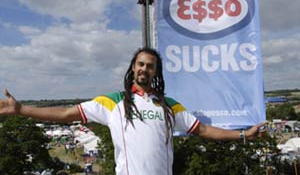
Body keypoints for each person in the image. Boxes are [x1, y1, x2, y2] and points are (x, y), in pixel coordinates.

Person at [0, 47, 264, 175]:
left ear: (155, 72)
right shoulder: (112, 102)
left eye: (150, 66)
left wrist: (242, 135)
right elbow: (66, 113)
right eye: (140, 64)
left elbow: (203, 130)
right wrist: (22, 109)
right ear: (133, 67)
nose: (144, 69)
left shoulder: (170, 106)